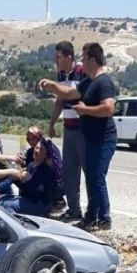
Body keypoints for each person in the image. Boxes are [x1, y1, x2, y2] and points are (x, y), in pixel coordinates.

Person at [39, 42, 117, 232]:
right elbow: (68, 94)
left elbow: (109, 108)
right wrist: (53, 86)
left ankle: (103, 218)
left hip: (102, 138)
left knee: (96, 177)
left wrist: (85, 110)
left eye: (84, 57)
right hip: (89, 136)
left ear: (92, 60)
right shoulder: (88, 82)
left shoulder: (103, 82)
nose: (81, 60)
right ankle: (89, 216)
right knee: (89, 177)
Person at [48, 40, 85, 221]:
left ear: (68, 57)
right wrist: (52, 123)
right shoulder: (61, 74)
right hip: (69, 127)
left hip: (84, 128)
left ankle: (96, 213)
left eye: (59, 57)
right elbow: (60, 100)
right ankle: (74, 209)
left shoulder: (82, 71)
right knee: (70, 171)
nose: (56, 60)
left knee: (89, 171)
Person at [0, 138, 59, 216]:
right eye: (36, 148)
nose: (37, 151)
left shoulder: (46, 171)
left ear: (46, 155)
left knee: (3, 205)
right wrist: (15, 179)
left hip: (38, 205)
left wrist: (26, 180)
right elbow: (23, 185)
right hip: (26, 199)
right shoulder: (31, 165)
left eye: (41, 149)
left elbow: (35, 192)